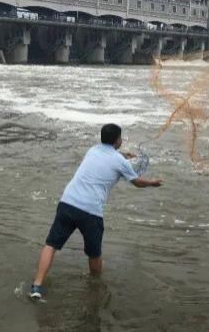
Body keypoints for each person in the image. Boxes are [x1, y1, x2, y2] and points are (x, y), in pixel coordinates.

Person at [29, 124, 163, 299]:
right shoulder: (120, 161)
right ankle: (95, 288)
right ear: (117, 140)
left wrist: (123, 156)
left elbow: (108, 158)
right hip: (90, 212)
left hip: (67, 203)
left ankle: (37, 286)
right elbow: (137, 182)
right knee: (94, 254)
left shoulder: (92, 150)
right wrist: (153, 183)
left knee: (51, 245)